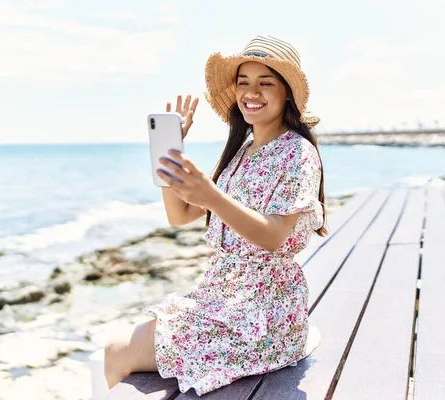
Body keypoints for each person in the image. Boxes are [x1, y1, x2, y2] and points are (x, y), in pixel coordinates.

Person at [103, 35, 328, 396]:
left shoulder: (297, 153)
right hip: (221, 297)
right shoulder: (241, 152)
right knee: (118, 345)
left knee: (117, 349)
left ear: (287, 93)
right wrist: (169, 151)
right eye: (243, 83)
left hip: (263, 314)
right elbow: (181, 215)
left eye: (265, 83)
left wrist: (213, 195)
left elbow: (275, 237)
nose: (251, 92)